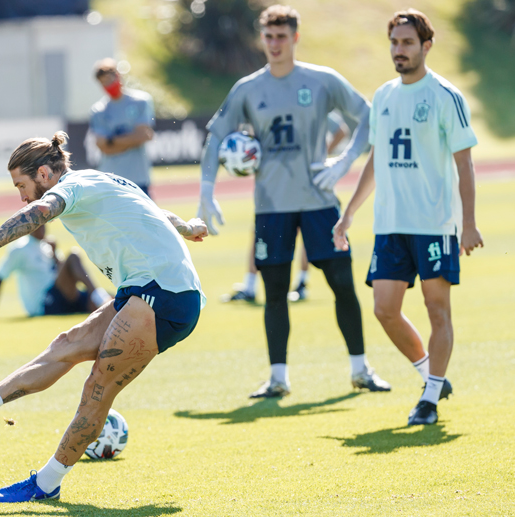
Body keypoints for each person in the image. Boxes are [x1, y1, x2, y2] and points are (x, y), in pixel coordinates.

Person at [0, 132, 207, 503]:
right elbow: (155, 212)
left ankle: (46, 483)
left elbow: (39, 213)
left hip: (165, 293)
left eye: (22, 185)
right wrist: (188, 228)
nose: (21, 196)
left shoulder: (71, 188)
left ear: (45, 173)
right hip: (143, 289)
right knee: (65, 345)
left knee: (97, 389)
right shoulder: (101, 180)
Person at [197, 5, 390, 397]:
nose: (274, 43)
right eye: (268, 36)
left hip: (320, 202)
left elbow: (368, 117)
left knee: (341, 283)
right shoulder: (248, 88)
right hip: (271, 206)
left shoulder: (321, 80)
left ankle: (360, 369)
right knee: (274, 290)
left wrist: (344, 162)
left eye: (282, 36)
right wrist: (205, 192)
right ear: (262, 38)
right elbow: (216, 136)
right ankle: (278, 378)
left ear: (295, 38)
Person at [333, 9, 483, 425]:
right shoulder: (383, 96)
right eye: (394, 43)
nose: (399, 51)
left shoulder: (445, 96)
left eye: (407, 43)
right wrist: (348, 215)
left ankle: (429, 400)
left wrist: (468, 223)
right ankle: (431, 377)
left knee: (437, 310)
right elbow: (377, 160)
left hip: (434, 224)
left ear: (426, 46)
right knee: (384, 309)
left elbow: (465, 165)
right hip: (390, 226)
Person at [224, 113, 350, 304]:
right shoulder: (269, 99)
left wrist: (321, 156)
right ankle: (250, 286)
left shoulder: (313, 96)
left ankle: (301, 283)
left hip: (307, 180)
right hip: (278, 178)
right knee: (260, 230)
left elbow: (341, 130)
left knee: (304, 230)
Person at [0, 224, 111, 319]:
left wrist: (55, 255)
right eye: (38, 224)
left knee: (114, 299)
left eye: (44, 224)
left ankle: (96, 296)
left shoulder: (47, 244)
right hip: (44, 302)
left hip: (61, 296)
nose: (43, 228)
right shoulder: (20, 249)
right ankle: (95, 295)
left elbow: (66, 272)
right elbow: (0, 276)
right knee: (73, 256)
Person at [89, 58, 155, 196]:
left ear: (118, 76)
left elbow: (144, 135)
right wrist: (131, 139)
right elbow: (103, 146)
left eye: (109, 79)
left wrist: (112, 141)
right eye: (103, 82)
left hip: (139, 178)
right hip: (111, 180)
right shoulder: (98, 110)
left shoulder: (141, 101)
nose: (108, 85)